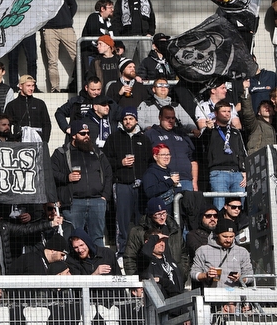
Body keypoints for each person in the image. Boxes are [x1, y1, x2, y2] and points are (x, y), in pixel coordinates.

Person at [50, 118, 112, 251]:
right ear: (73, 135)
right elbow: (50, 173)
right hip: (74, 203)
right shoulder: (61, 153)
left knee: (97, 237)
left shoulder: (97, 152)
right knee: (73, 238)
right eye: (83, 133)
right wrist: (66, 177)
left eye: (88, 133)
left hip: (97, 201)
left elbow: (108, 173)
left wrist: (105, 196)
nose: (87, 136)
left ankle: (99, 266)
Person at [104, 106, 152, 256]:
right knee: (122, 221)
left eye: (131, 118)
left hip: (141, 186)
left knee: (141, 220)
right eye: (125, 119)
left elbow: (150, 162)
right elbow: (105, 162)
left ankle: (140, 251)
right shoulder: (113, 138)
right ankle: (122, 251)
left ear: (136, 120)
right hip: (121, 184)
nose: (128, 121)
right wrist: (121, 162)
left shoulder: (144, 139)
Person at [201, 101, 248, 210]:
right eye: (223, 111)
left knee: (238, 207)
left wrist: (244, 171)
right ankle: (221, 227)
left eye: (229, 111)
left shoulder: (235, 132)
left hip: (237, 174)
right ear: (216, 113)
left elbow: (242, 152)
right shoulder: (211, 130)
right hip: (218, 173)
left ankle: (238, 227)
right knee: (220, 206)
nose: (227, 114)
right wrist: (208, 129)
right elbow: (202, 145)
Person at [124, 197, 186, 279]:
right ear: (150, 215)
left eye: (164, 213)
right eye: (158, 214)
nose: (162, 217)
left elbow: (183, 254)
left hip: (173, 280)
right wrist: (136, 281)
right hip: (150, 279)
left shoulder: (174, 229)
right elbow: (129, 258)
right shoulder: (138, 232)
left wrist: (182, 275)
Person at [145, 106, 199, 191]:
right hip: (163, 180)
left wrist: (194, 182)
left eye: (173, 118)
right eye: (167, 118)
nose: (171, 121)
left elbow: (193, 160)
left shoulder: (182, 134)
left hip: (186, 180)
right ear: (160, 118)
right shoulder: (151, 134)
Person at [191, 219, 252, 289]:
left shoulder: (242, 252)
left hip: (236, 295)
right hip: (212, 296)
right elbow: (193, 273)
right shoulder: (203, 250)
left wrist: (241, 278)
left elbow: (250, 275)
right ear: (217, 234)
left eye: (232, 237)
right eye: (225, 237)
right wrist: (206, 275)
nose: (228, 240)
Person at [41, 0, 78, 93]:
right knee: (52, 61)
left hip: (65, 27)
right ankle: (55, 89)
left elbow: (73, 4)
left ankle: (80, 83)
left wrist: (67, 18)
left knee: (77, 58)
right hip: (49, 28)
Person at [238, 80, 277, 153]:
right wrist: (246, 93)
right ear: (259, 112)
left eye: (269, 107)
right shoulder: (255, 124)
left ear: (274, 112)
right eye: (264, 106)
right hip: (257, 160)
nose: (267, 108)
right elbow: (248, 114)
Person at [137, 232, 185, 298]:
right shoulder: (146, 262)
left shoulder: (171, 260)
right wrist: (154, 238)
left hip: (177, 301)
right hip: (159, 303)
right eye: (158, 241)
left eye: (163, 241)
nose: (162, 244)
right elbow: (145, 253)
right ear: (148, 242)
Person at [4, 75, 51, 143]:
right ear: (20, 86)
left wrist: (44, 141)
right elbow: (6, 125)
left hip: (38, 141)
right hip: (19, 143)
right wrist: (12, 140)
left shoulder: (40, 103)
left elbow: (46, 124)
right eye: (28, 85)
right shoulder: (12, 105)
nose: (31, 88)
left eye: (33, 85)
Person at [141, 144, 179, 209]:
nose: (166, 157)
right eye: (163, 155)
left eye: (168, 154)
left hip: (173, 210)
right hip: (160, 211)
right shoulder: (150, 173)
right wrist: (170, 181)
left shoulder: (170, 172)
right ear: (155, 157)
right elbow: (149, 192)